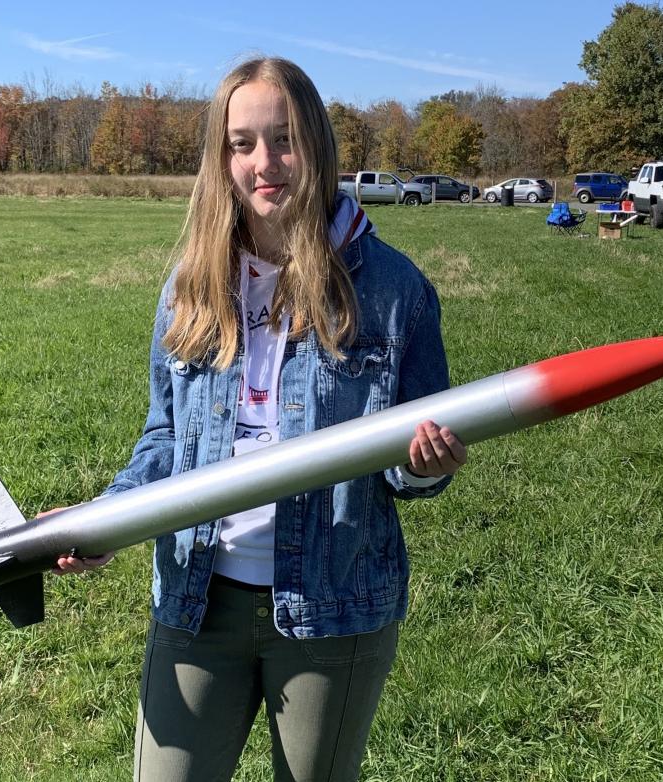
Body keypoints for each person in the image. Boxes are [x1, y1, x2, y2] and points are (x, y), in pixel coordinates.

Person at [48, 56, 466, 781]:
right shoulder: (190, 284)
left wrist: (421, 466)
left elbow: (406, 463)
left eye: (284, 139)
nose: (264, 163)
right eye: (241, 143)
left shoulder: (395, 290)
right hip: (195, 596)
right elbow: (165, 434)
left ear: (318, 146)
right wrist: (106, 518)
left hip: (332, 607)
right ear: (221, 158)